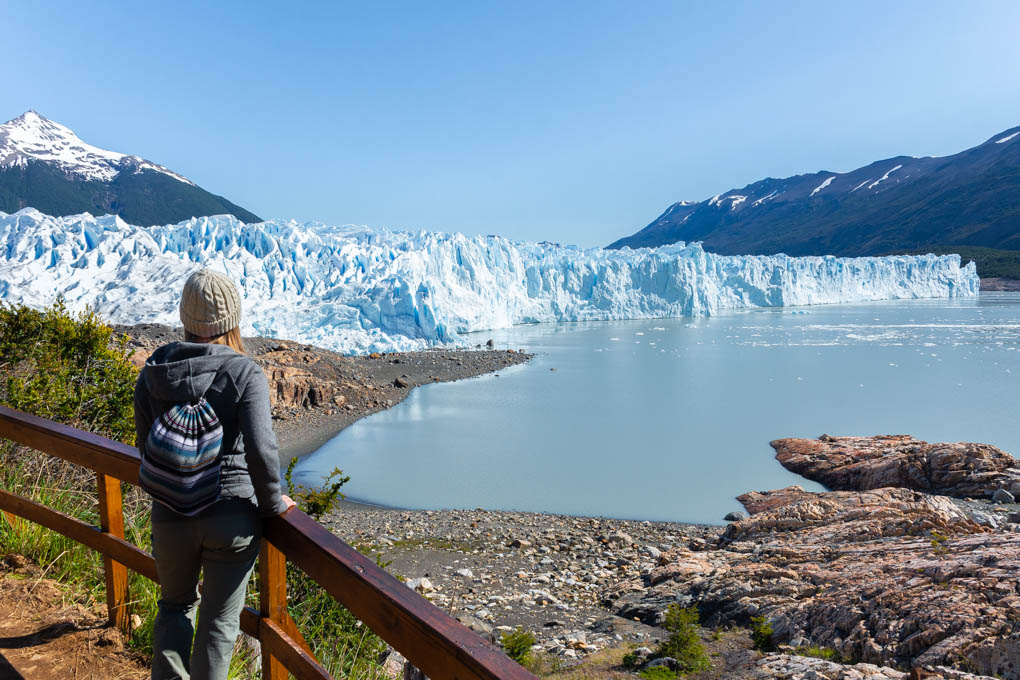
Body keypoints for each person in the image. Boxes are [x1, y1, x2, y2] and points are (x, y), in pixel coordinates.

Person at [134, 268, 294, 680]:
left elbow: (145, 446)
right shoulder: (245, 372)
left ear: (186, 318)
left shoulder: (154, 370)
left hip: (170, 514)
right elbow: (262, 450)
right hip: (231, 517)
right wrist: (274, 504)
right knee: (218, 627)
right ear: (231, 321)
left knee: (173, 608)